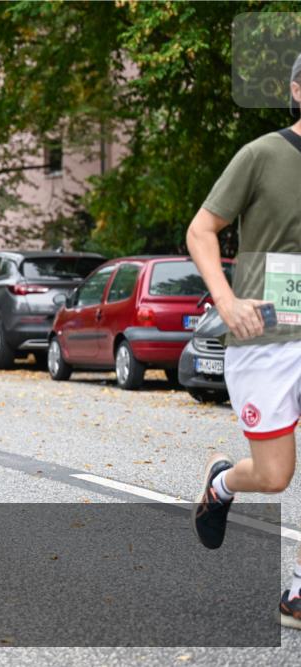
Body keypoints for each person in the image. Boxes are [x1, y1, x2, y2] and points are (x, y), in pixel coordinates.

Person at [188, 53, 301, 630]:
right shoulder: (262, 155)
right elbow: (201, 229)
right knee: (275, 474)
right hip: (267, 336)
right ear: (298, 89)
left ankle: (298, 591)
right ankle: (223, 483)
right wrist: (226, 300)